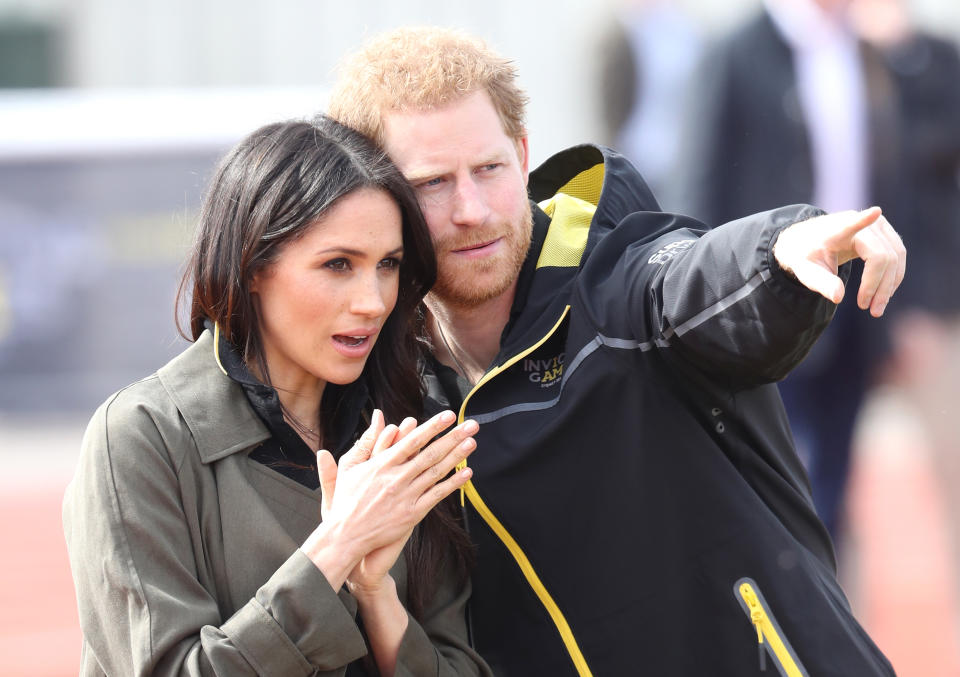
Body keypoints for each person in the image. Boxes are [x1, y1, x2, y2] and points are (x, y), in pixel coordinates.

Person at [328, 27, 903, 675]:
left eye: (488, 169)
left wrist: (782, 249)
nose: (472, 209)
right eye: (432, 183)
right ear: (380, 200)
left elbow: (692, 279)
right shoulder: (388, 386)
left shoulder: (619, 283)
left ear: (522, 157)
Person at [62, 116, 493, 677]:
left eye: (387, 265)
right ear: (254, 265)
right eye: (338, 264)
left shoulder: (406, 431)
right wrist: (337, 547)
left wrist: (375, 593)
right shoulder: (142, 438)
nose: (373, 300)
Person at [671, 0, 900, 545]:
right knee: (780, 484)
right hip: (769, 303)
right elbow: (697, 186)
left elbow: (895, 177)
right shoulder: (734, 53)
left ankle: (826, 621)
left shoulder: (867, 51)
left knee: (836, 482)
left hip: (859, 297)